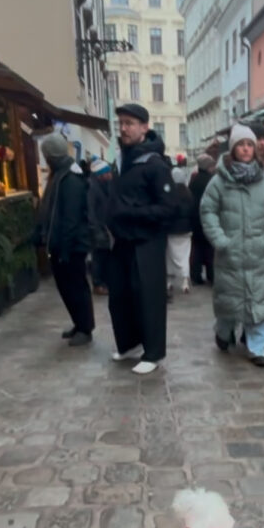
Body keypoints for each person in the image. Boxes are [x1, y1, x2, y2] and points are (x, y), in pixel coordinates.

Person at [200, 123, 264, 367]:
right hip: (230, 255)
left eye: (249, 145)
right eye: (241, 145)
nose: (246, 149)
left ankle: (258, 348)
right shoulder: (219, 182)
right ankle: (223, 333)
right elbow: (208, 210)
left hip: (257, 254)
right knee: (229, 302)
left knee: (258, 301)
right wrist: (220, 240)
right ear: (233, 149)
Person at [105, 103, 176, 375]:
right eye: (120, 123)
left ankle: (154, 352)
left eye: (130, 123)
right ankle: (130, 343)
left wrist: (132, 213)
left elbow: (169, 207)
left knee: (149, 297)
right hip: (122, 242)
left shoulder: (154, 164)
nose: (123, 128)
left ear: (144, 128)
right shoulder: (123, 159)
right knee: (121, 297)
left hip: (147, 243)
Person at [37, 133, 94, 346]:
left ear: (51, 155)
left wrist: (66, 249)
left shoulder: (69, 178)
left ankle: (85, 328)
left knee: (76, 287)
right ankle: (79, 324)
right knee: (66, 288)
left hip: (70, 245)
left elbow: (71, 217)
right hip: (61, 244)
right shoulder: (59, 175)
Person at [166, 166, 194, 295]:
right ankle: (185, 282)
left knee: (170, 256)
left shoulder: (169, 194)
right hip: (186, 231)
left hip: (171, 231)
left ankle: (169, 282)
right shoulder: (188, 194)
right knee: (184, 256)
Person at [189, 154, 216, 285]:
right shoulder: (211, 181)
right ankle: (211, 275)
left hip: (195, 219)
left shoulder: (193, 181)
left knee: (197, 248)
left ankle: (196, 275)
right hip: (208, 218)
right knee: (210, 249)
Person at [87, 157, 112, 295]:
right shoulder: (92, 187)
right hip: (97, 229)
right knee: (98, 257)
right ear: (101, 174)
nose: (110, 175)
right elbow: (90, 210)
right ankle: (98, 283)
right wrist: (95, 229)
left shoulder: (104, 186)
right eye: (107, 173)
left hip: (104, 228)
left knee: (105, 257)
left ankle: (105, 282)